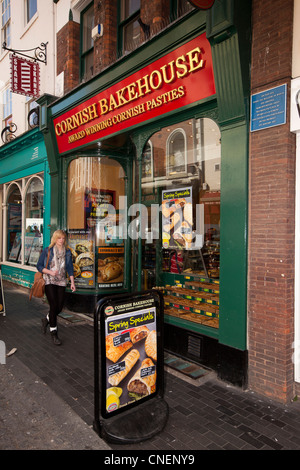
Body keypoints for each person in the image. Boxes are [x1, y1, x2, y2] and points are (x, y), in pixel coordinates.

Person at [37, 230, 76, 345]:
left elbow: (69, 268)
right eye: (59, 238)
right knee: (53, 305)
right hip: (49, 280)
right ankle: (54, 333)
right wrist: (50, 272)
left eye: (63, 238)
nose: (61, 240)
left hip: (61, 281)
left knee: (59, 307)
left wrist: (72, 282)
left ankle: (47, 319)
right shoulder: (48, 251)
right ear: (55, 239)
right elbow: (39, 266)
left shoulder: (67, 252)